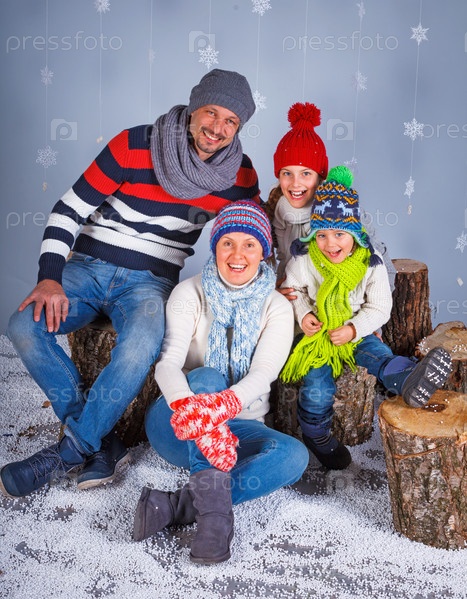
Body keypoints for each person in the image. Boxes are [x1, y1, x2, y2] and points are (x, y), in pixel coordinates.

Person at [0, 69, 261, 499]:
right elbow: (68, 210)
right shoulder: (136, 144)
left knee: (142, 344)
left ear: (240, 127)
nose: (217, 128)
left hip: (151, 283)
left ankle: (71, 450)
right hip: (87, 267)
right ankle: (97, 440)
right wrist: (49, 276)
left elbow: (256, 233)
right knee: (23, 325)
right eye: (211, 113)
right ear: (194, 108)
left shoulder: (240, 176)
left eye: (231, 121)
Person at [132, 201, 309, 565]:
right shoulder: (189, 293)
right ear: (215, 248)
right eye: (228, 243)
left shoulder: (276, 306)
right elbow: (168, 364)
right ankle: (214, 523)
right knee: (207, 377)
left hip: (239, 428)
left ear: (264, 252)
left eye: (249, 244)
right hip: (177, 426)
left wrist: (222, 408)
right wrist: (192, 408)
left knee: (294, 457)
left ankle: (175, 505)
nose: (237, 254)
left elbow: (264, 372)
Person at [279, 165, 452, 470]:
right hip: (318, 337)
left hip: (355, 331)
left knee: (378, 354)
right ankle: (316, 434)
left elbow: (380, 307)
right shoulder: (305, 260)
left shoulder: (370, 263)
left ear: (355, 233)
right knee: (317, 386)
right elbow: (292, 291)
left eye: (339, 234)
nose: (330, 244)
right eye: (322, 235)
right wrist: (304, 313)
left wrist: (353, 328)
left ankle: (408, 378)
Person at [265, 101, 396, 291]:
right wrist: (275, 292)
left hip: (343, 296)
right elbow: (275, 262)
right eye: (287, 173)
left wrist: (373, 302)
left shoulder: (342, 208)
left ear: (320, 177)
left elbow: (381, 263)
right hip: (296, 295)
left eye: (306, 173)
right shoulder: (276, 211)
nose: (295, 183)